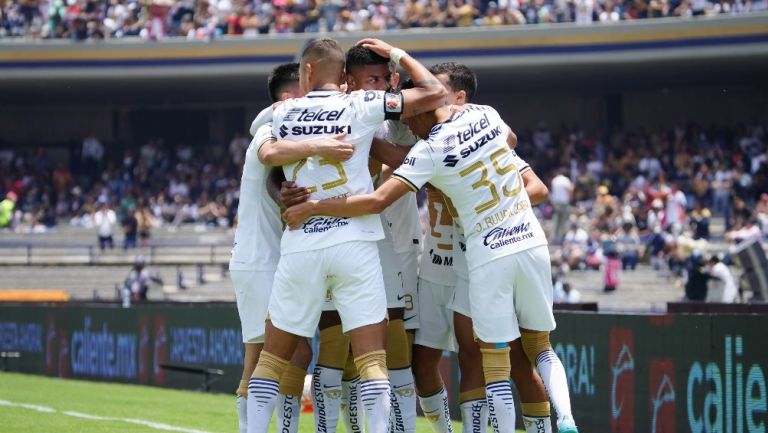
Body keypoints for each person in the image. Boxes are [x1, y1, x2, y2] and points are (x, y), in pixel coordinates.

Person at [284, 101, 574, 433]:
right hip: (439, 267)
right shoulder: (467, 133)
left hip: (476, 263)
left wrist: (479, 199)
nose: (416, 117)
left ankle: (544, 425)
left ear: (458, 99)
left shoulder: (462, 144)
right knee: (425, 363)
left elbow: (536, 185)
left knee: (502, 360)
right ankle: (557, 418)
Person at [246, 38, 445, 433]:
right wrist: (397, 54)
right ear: (344, 78)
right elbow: (432, 92)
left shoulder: (280, 111)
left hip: (302, 243)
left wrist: (306, 148)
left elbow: (265, 151)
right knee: (372, 359)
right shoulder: (360, 107)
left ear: (305, 72)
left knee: (272, 359)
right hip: (355, 244)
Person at [230, 63, 322, 433]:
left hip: (258, 258)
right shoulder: (269, 130)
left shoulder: (278, 134)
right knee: (293, 351)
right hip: (260, 260)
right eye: (308, 91)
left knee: (257, 355)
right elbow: (263, 123)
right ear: (288, 98)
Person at [550, 167, 573, 243]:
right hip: (564, 203)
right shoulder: (565, 180)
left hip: (556, 203)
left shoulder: (554, 180)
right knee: (563, 220)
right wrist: (571, 198)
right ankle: (561, 237)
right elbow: (569, 190)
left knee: (556, 220)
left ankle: (553, 237)